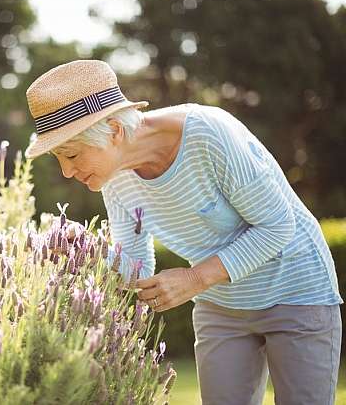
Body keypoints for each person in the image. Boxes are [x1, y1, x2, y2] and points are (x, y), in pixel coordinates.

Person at [23, 59, 343, 405]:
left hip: (295, 291)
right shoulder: (114, 181)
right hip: (221, 307)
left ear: (114, 130)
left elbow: (278, 225)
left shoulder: (207, 133)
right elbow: (137, 268)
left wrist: (194, 279)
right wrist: (86, 251)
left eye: (71, 155)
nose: (67, 172)